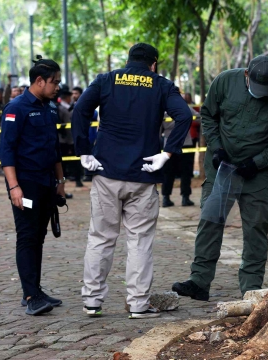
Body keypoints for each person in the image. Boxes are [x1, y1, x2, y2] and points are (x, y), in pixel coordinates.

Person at [72, 43, 192, 319]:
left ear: (128, 62)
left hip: (106, 172)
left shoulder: (106, 79)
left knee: (101, 238)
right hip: (143, 174)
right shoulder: (161, 85)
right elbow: (184, 115)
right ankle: (138, 303)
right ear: (153, 64)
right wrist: (168, 152)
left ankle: (92, 301)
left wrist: (83, 151)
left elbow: (80, 110)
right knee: (140, 240)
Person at [171, 55, 268, 300]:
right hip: (223, 166)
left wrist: (259, 162)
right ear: (246, 75)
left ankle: (251, 288)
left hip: (258, 173)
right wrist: (216, 148)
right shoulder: (225, 81)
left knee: (256, 227)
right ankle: (199, 281)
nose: (261, 93)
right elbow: (208, 115)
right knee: (210, 221)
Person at [0, 56, 66, 315]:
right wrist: (14, 188)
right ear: (39, 81)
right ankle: (30, 295)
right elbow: (7, 151)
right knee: (27, 236)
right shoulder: (16, 108)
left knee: (39, 236)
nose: (57, 86)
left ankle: (35, 290)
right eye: (54, 82)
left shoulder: (49, 107)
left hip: (47, 182)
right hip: (25, 184)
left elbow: (55, 148)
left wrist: (60, 182)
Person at [161, 93, 200, 207]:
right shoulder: (186, 108)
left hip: (168, 144)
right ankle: (185, 198)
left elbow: (158, 128)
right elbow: (198, 119)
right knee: (185, 172)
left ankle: (166, 198)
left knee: (168, 172)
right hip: (185, 143)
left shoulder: (163, 110)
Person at [57, 84, 83, 189]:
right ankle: (63, 182)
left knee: (74, 161)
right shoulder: (61, 108)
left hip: (70, 138)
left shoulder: (69, 106)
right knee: (63, 163)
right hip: (64, 139)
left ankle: (77, 179)